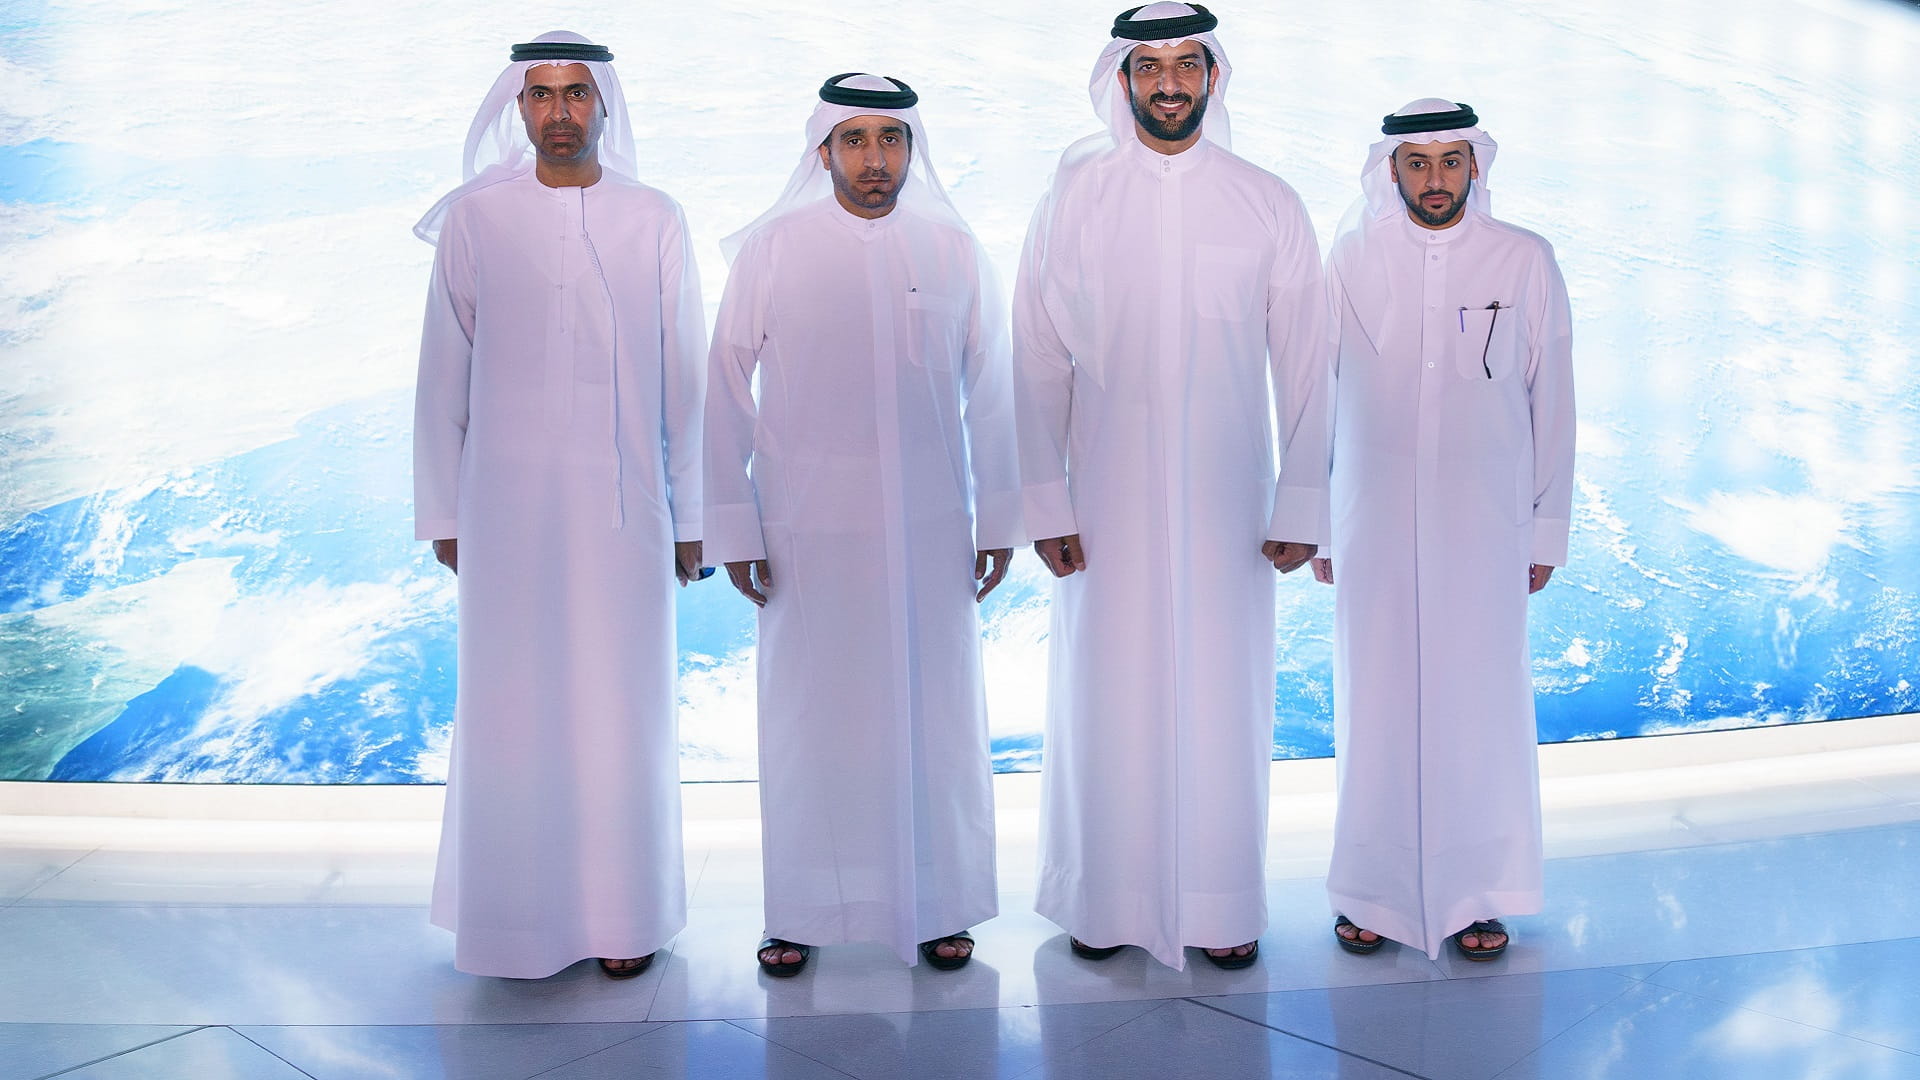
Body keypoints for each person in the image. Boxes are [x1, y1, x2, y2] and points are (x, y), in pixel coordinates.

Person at [1012, 3, 1332, 971]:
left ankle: (1221, 904)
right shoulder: (1074, 197)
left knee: (1222, 698)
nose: (1168, 84)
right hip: (1103, 498)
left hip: (1230, 499)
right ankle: (1104, 902)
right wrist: (1044, 499)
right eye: (1149, 67)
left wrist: (1303, 502)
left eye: (1186, 65)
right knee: (1106, 697)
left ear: (1212, 76)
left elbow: (1307, 362)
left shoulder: (1266, 201)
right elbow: (1037, 354)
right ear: (1122, 80)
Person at [704, 74, 1021, 977]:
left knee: (934, 721)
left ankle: (940, 904)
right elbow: (723, 386)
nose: (874, 159)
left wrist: (1000, 516)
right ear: (824, 151)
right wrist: (734, 525)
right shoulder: (773, 249)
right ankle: (801, 909)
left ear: (912, 150)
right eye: (855, 140)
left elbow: (993, 391)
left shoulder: (953, 249)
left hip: (929, 530)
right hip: (807, 530)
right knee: (812, 724)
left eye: (891, 140)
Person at [412, 31, 707, 980]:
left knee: (621, 713)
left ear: (603, 105)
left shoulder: (654, 218)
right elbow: (442, 375)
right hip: (504, 516)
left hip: (628, 516)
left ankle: (625, 920)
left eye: (576, 93)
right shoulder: (476, 222)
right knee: (514, 711)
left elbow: (686, 381)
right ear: (518, 108)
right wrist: (444, 514)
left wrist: (695, 517)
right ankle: (511, 925)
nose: (560, 112)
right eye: (541, 95)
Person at [1312, 99, 1575, 962]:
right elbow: (1320, 391)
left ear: (1475, 166)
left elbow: (1552, 397)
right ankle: (1371, 893)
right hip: (1372, 521)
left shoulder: (1524, 259)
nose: (1435, 179)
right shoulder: (1351, 257)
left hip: (1485, 525)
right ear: (1391, 169)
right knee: (1376, 705)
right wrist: (1318, 523)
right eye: (1417, 163)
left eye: (1450, 161)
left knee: (1479, 706)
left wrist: (1545, 529)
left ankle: (1479, 893)